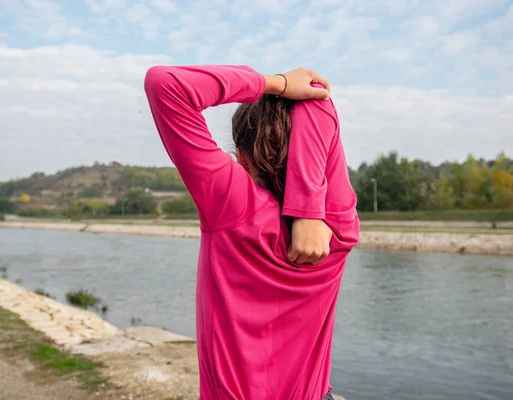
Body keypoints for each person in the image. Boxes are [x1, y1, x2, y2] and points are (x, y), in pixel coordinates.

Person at [144, 65, 359, 400]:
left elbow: (166, 84)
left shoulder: (231, 205)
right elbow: (320, 96)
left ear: (241, 157)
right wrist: (308, 208)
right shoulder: (338, 227)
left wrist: (277, 84)